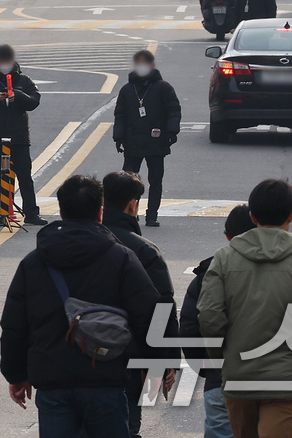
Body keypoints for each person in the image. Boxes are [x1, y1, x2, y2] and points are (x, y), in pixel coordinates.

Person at [0, 175, 162, 437]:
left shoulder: (34, 262)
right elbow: (150, 312)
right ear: (100, 212)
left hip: (53, 381)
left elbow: (14, 324)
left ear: (61, 211)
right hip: (105, 378)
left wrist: (16, 375)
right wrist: (154, 365)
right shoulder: (121, 258)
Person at [197, 179, 292, 438]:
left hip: (239, 376)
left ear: (252, 216)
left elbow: (209, 315)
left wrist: (223, 360)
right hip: (287, 377)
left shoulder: (225, 258)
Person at [102, 171, 178, 438]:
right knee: (126, 426)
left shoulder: (78, 243)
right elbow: (161, 308)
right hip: (126, 361)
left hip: (71, 357)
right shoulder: (144, 250)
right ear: (133, 204)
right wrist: (164, 361)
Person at [180, 205, 257, 438]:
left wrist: (207, 368)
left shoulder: (209, 273)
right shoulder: (283, 269)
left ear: (227, 236)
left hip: (221, 379)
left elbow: (190, 326)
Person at [0, 44, 45, 226]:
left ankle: (31, 212)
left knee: (25, 176)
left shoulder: (24, 80)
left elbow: (34, 101)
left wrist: (19, 96)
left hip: (19, 137)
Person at [112, 50, 180, 226]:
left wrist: (172, 131)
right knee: (127, 183)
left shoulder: (163, 88)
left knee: (155, 181)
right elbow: (120, 114)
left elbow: (173, 110)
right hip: (132, 142)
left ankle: (152, 215)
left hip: (156, 142)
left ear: (152, 65)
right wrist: (118, 137)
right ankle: (129, 214)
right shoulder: (127, 90)